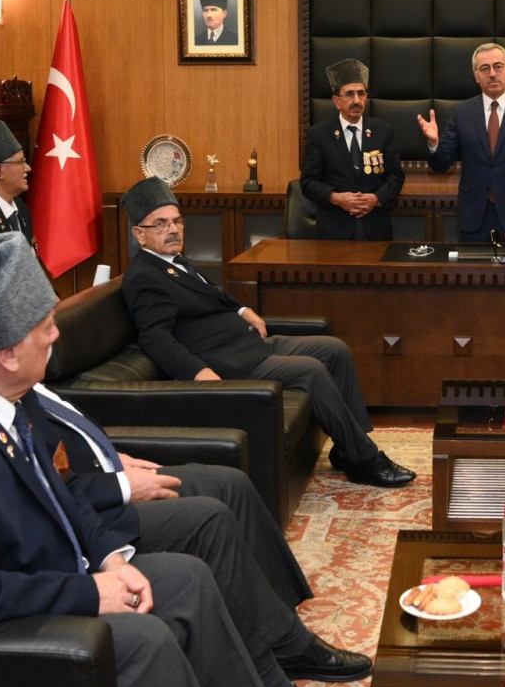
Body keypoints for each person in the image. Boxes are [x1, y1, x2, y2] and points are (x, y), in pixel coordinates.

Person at [0, 233, 364, 687]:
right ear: (5, 353)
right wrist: (86, 592)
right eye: (45, 327)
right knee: (143, 639)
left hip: (35, 567)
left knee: (187, 577)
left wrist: (106, 558)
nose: (57, 333)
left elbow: (54, 491)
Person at [119, 177, 415, 488]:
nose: (173, 230)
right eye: (161, 224)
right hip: (229, 362)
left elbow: (213, 293)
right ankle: (366, 460)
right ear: (139, 234)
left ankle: (347, 449)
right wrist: (199, 372)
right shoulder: (144, 276)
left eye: (177, 221)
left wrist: (243, 310)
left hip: (247, 344)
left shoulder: (175, 261)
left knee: (334, 349)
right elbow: (154, 337)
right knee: (311, 371)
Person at [418, 42, 505, 242]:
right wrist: (434, 144)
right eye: (484, 68)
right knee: (473, 264)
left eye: (498, 66)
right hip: (473, 220)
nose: (492, 74)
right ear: (475, 75)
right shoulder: (462, 112)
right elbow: (441, 164)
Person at [299, 59, 405, 240]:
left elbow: (396, 176)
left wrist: (376, 198)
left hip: (375, 227)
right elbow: (308, 182)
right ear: (337, 101)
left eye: (361, 94)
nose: (357, 100)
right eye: (349, 94)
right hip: (334, 229)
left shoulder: (383, 131)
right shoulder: (319, 134)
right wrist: (335, 198)